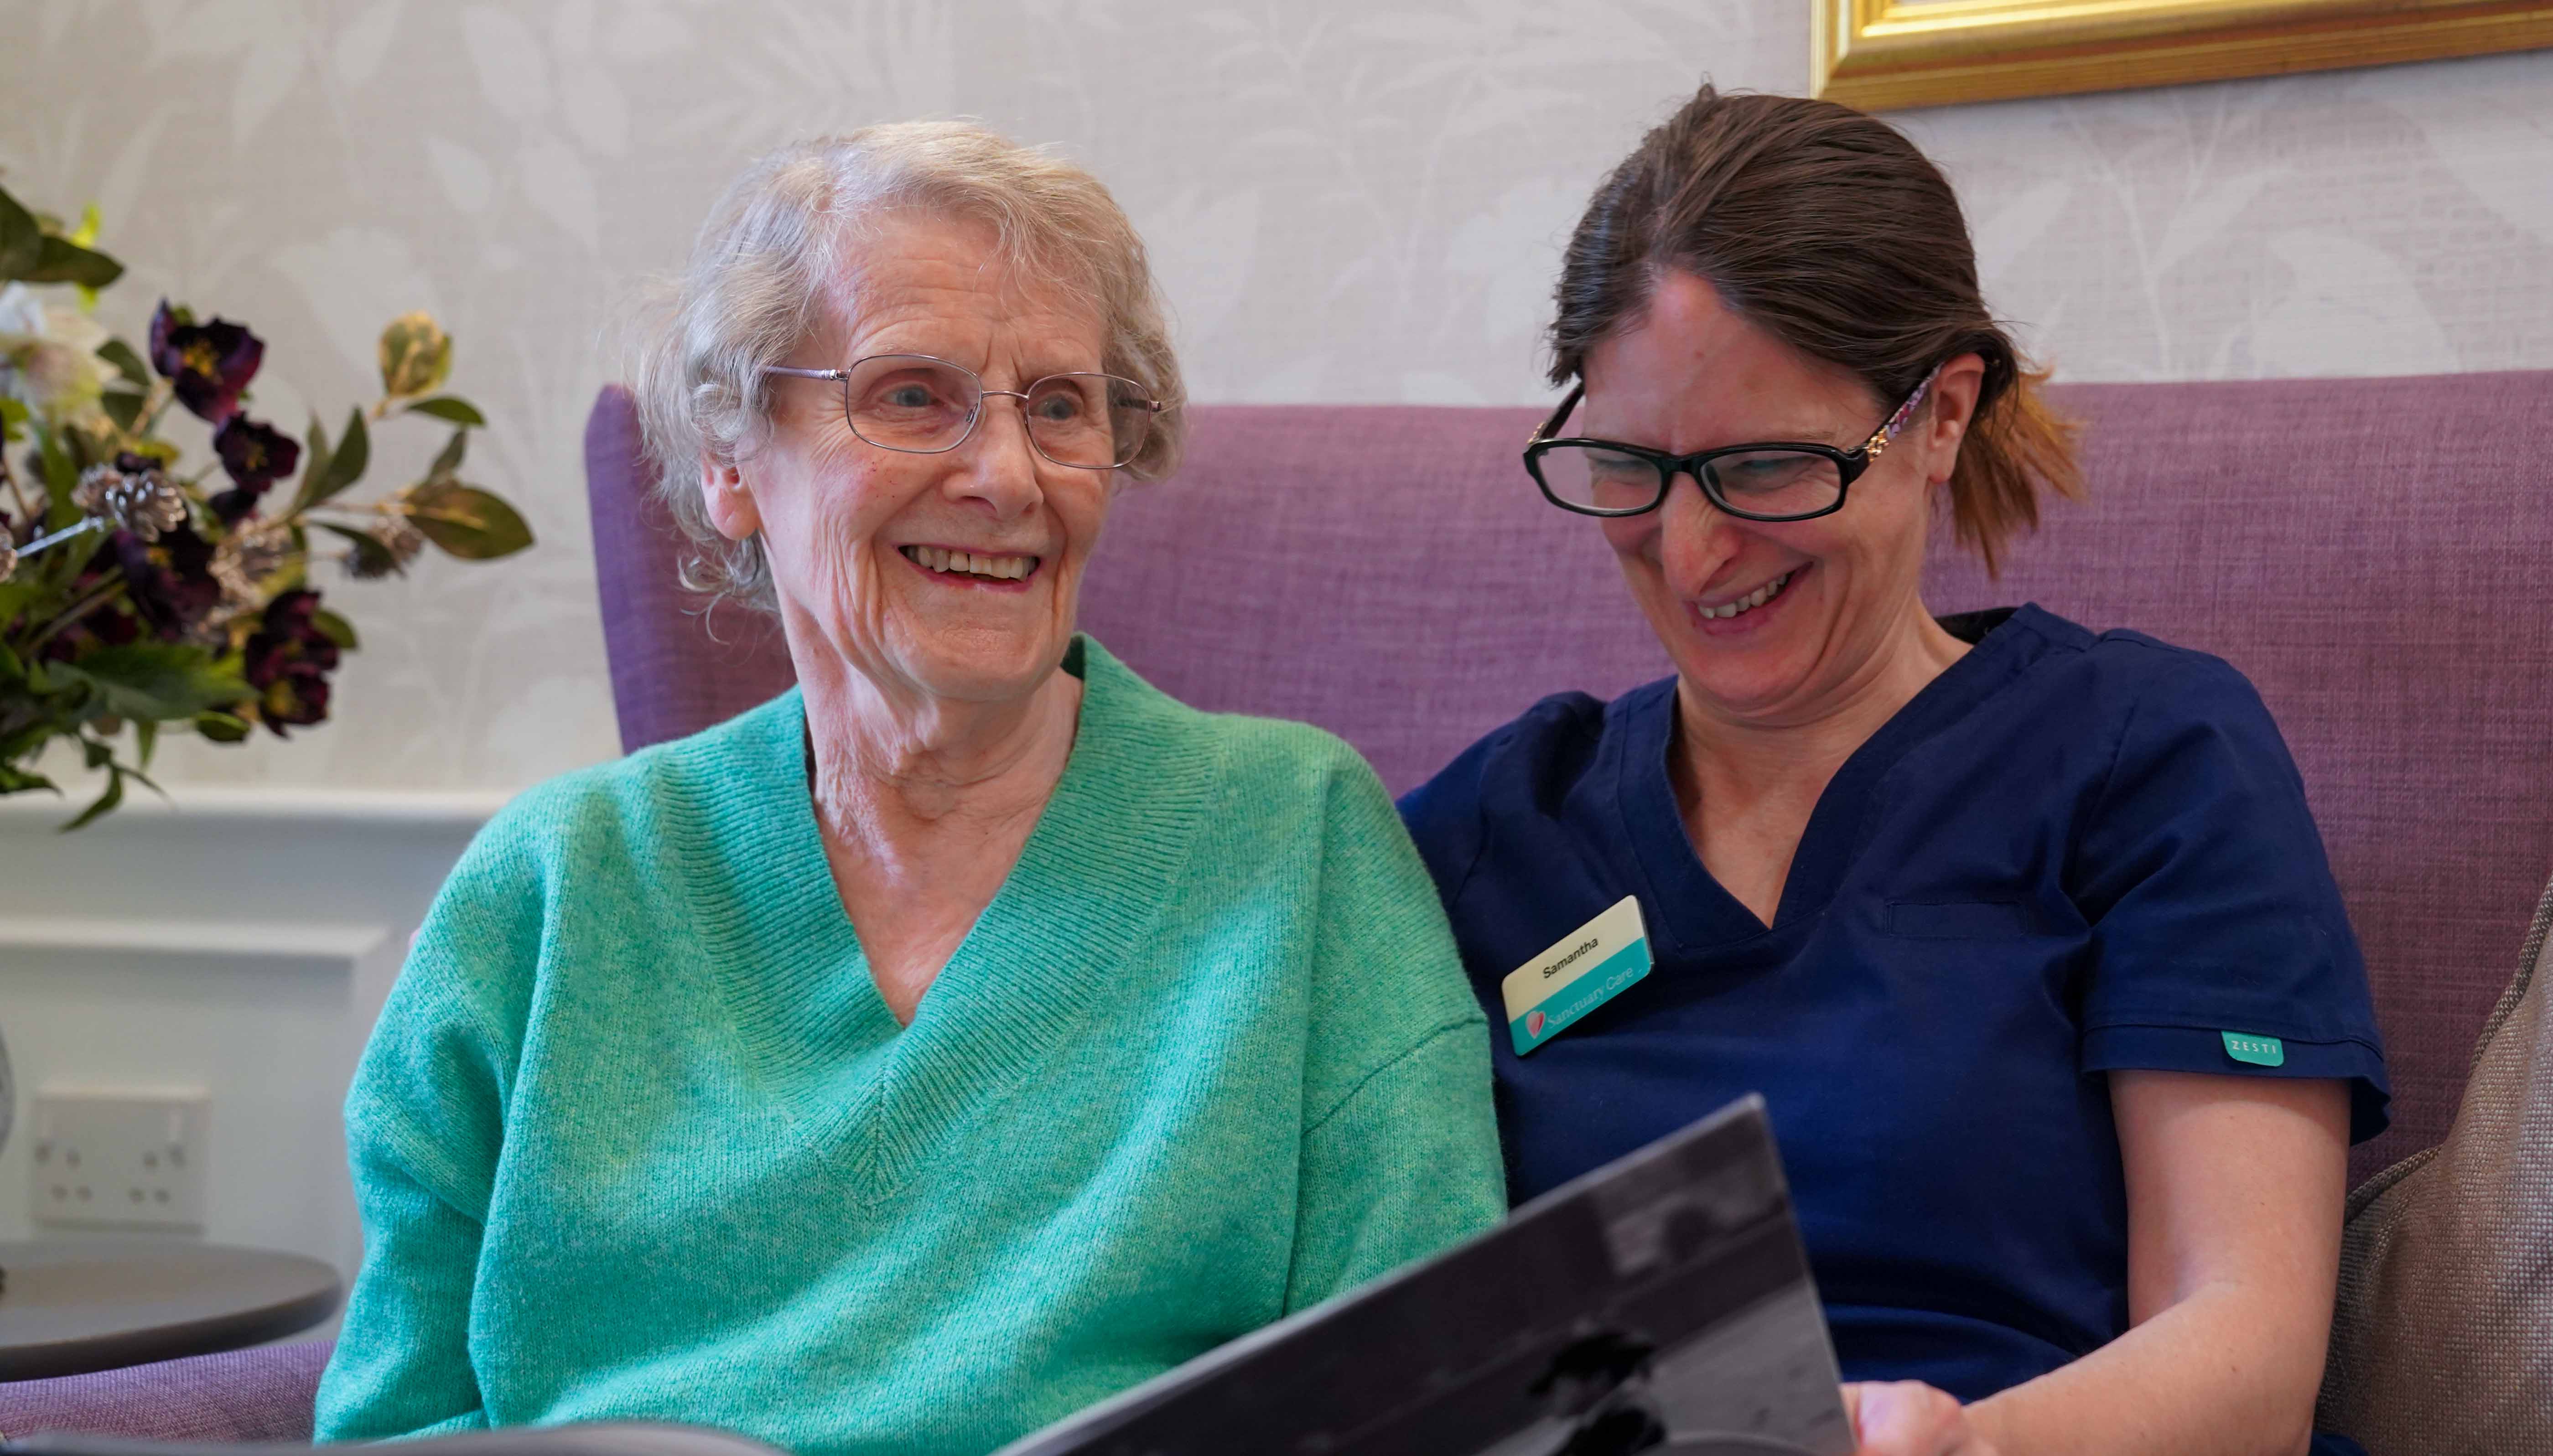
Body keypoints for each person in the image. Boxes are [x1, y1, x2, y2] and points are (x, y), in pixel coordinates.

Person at [315, 123, 1503, 1456]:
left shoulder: (1295, 846)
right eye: (913, 395)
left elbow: (1434, 1402)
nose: (1005, 476)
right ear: (730, 457)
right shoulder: (553, 890)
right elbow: (391, 1423)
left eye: (1061, 405)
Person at [1398, 86, 2386, 1456]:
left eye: (1764, 465)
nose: (1690, 554)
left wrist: (1962, 1446)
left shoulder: (2145, 754)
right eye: (1631, 466)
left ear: (1940, 418)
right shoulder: (1493, 830)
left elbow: (2249, 1359)